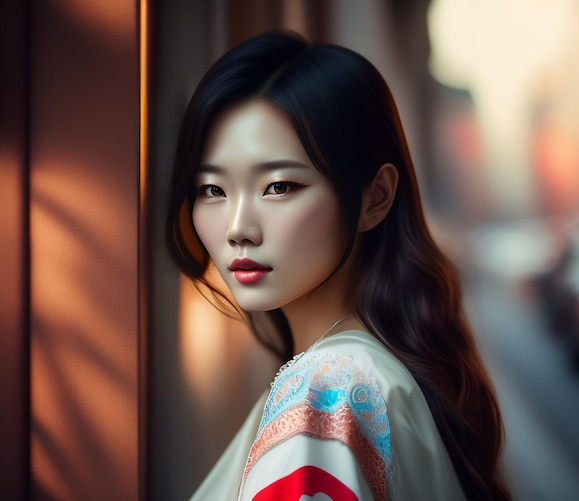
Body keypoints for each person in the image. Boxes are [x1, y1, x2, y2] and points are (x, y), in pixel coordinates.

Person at [166, 31, 510, 500]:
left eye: (279, 186)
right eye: (213, 190)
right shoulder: (379, 372)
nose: (238, 228)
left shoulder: (327, 394)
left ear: (376, 197)